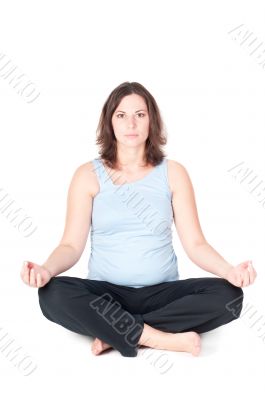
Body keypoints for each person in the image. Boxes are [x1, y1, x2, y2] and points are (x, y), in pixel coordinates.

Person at [20, 81, 257, 358]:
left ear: (151, 121)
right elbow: (70, 246)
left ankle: (116, 332)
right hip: (106, 295)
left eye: (140, 115)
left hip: (161, 293)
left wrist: (230, 271)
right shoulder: (87, 175)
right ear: (110, 122)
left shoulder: (174, 172)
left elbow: (196, 244)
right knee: (52, 294)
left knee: (230, 297)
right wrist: (46, 270)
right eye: (121, 115)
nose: (131, 124)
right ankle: (158, 338)